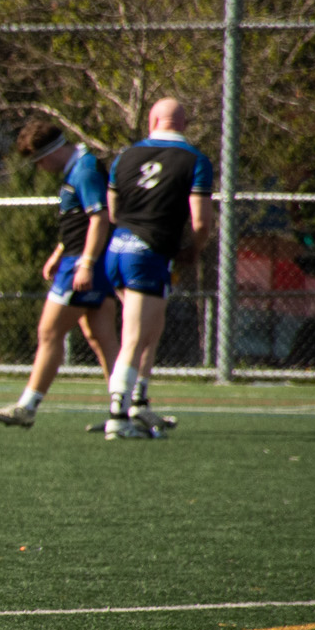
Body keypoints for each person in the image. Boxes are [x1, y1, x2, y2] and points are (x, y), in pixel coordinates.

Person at [0, 119, 120, 428]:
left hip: (83, 263)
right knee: (100, 336)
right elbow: (78, 220)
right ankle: (127, 408)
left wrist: (85, 262)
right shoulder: (78, 168)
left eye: (39, 161)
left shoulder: (85, 170)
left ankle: (27, 407)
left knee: (49, 332)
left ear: (50, 153)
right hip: (79, 258)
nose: (40, 168)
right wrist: (59, 251)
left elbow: (100, 218)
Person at [99, 98, 215, 440]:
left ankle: (138, 402)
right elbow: (201, 221)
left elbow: (113, 209)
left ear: (153, 120)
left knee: (150, 325)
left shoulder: (125, 155)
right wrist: (193, 248)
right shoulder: (195, 160)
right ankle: (118, 417)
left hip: (117, 248)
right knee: (134, 337)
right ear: (185, 123)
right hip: (148, 252)